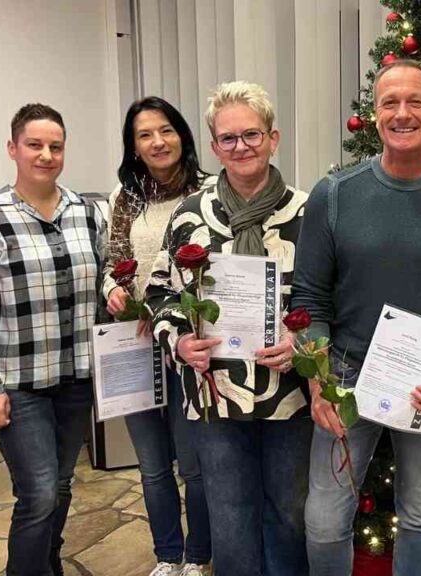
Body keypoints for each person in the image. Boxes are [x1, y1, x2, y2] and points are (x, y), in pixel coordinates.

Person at [292, 59, 421, 575]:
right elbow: (310, 298)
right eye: (390, 102)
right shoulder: (334, 196)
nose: (402, 113)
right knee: (323, 519)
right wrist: (318, 383)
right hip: (343, 379)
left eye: (415, 102)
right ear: (374, 113)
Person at [146, 81, 311, 575]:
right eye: (229, 138)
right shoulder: (190, 215)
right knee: (229, 514)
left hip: (290, 393)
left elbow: (331, 300)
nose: (241, 147)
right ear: (215, 145)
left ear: (274, 138)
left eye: (252, 135)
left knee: (288, 513)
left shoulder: (309, 212)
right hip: (213, 392)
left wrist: (302, 341)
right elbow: (158, 292)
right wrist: (179, 341)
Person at [0, 103, 106, 576]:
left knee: (59, 487)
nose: (46, 155)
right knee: (37, 493)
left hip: (76, 379)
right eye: (34, 145)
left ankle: (48, 566)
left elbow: (104, 285)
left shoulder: (88, 213)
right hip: (18, 386)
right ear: (13, 149)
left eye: (55, 146)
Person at [104, 96, 214, 576]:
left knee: (194, 464)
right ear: (134, 145)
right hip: (134, 342)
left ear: (182, 135)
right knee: (152, 466)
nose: (157, 141)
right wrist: (112, 290)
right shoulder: (124, 198)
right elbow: (112, 262)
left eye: (165, 130)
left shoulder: (209, 192)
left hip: (189, 344)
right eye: (144, 134)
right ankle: (168, 556)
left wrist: (170, 311)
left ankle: (199, 554)